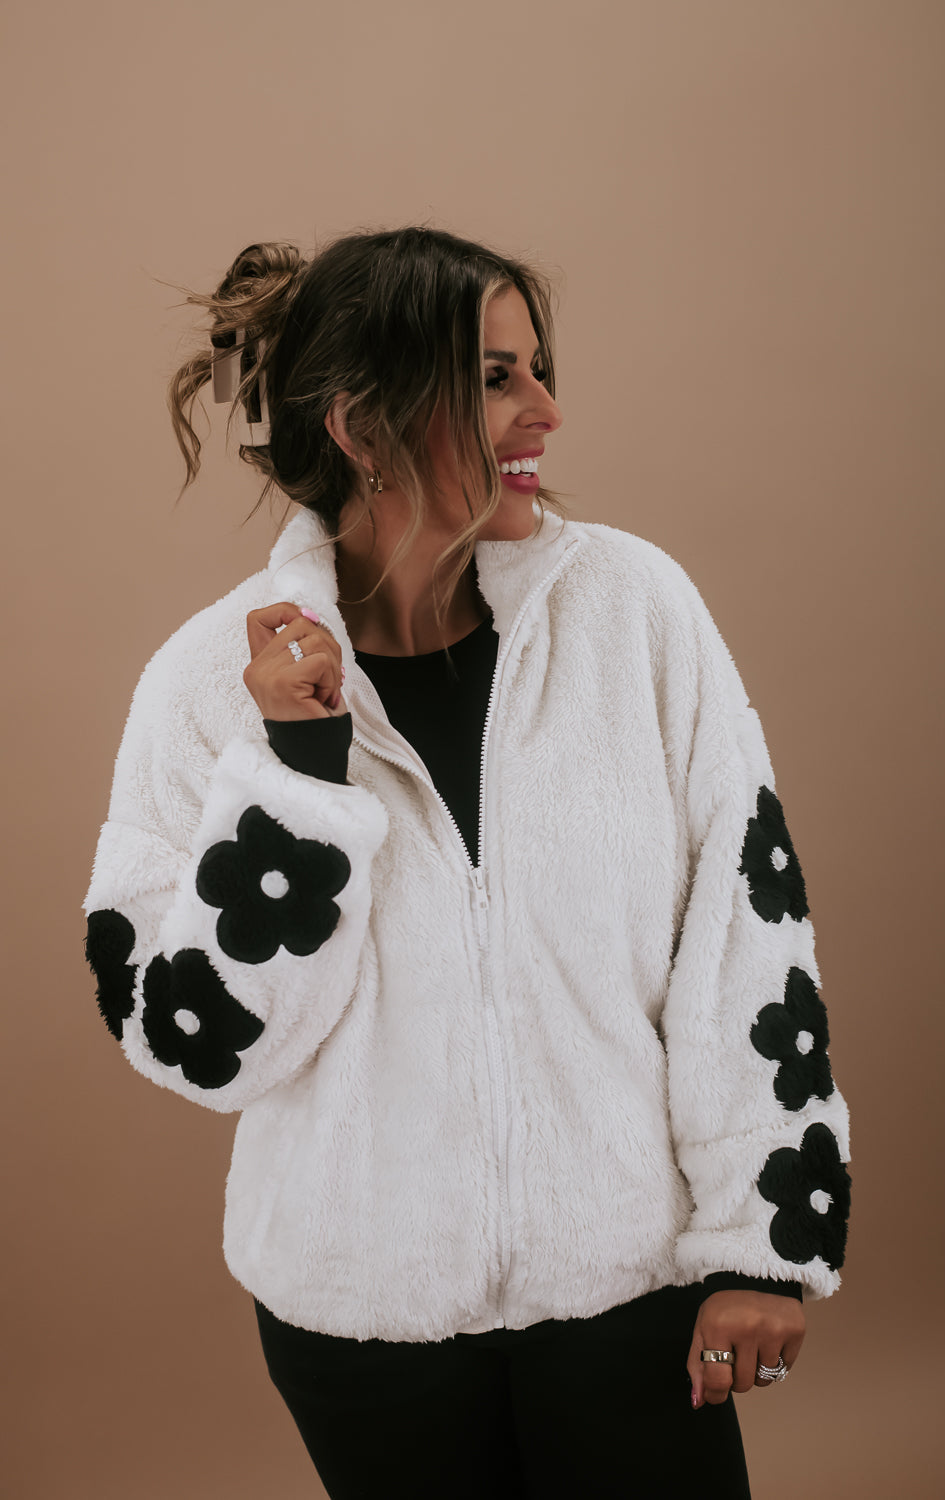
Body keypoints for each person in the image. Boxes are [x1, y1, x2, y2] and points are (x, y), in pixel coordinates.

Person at [84, 227, 851, 1499]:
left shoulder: (633, 615)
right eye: (496, 378)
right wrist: (297, 774)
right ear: (360, 426)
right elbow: (195, 1045)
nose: (545, 410)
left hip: (627, 1286)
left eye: (537, 369)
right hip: (361, 1322)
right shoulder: (207, 686)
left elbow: (745, 930)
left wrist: (760, 1243)